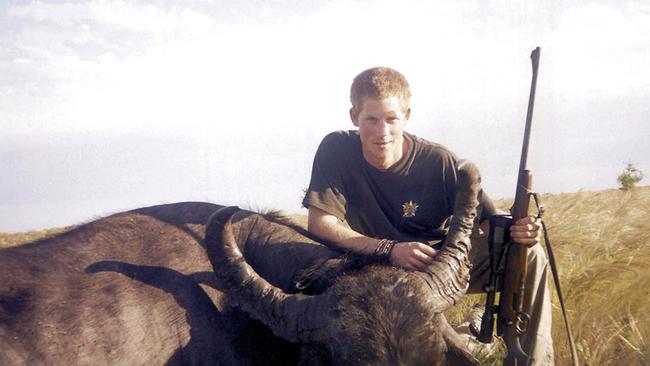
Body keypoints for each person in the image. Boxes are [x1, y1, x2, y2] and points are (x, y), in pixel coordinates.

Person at [301, 66, 554, 365]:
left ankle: (535, 359)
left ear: (407, 115)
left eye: (392, 119)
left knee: (531, 254)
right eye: (372, 119)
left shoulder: (439, 161)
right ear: (354, 117)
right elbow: (321, 223)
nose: (383, 132)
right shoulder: (335, 149)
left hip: (436, 266)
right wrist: (389, 249)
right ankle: (471, 336)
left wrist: (520, 231)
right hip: (370, 267)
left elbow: (490, 221)